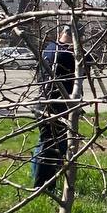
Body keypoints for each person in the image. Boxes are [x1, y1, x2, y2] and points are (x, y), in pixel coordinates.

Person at [31, 27, 79, 189]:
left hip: (42, 103)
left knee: (44, 143)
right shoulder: (69, 55)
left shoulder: (49, 48)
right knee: (53, 148)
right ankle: (43, 186)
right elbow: (86, 62)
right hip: (56, 107)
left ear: (60, 34)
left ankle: (38, 178)